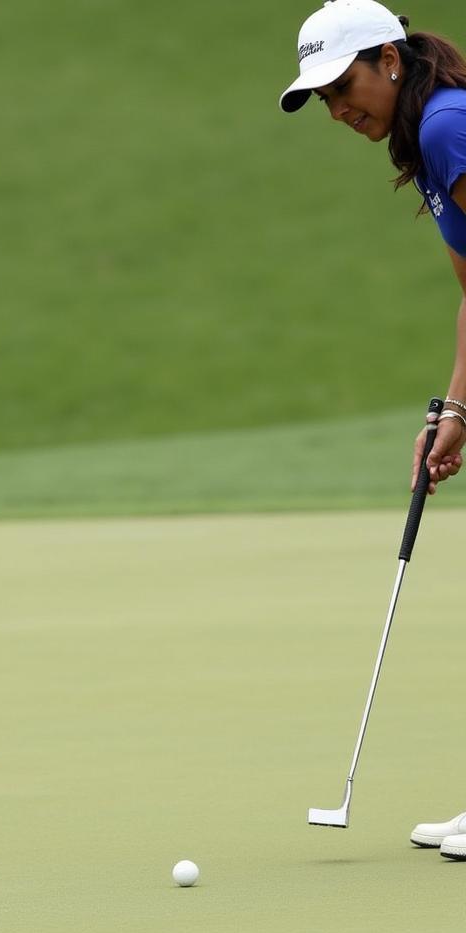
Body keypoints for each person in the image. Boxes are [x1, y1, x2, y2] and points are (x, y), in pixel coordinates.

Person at [279, 0, 466, 860]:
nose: (338, 107)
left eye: (344, 83)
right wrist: (458, 410)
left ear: (389, 59)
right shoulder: (430, 138)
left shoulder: (448, 127)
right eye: (321, 97)